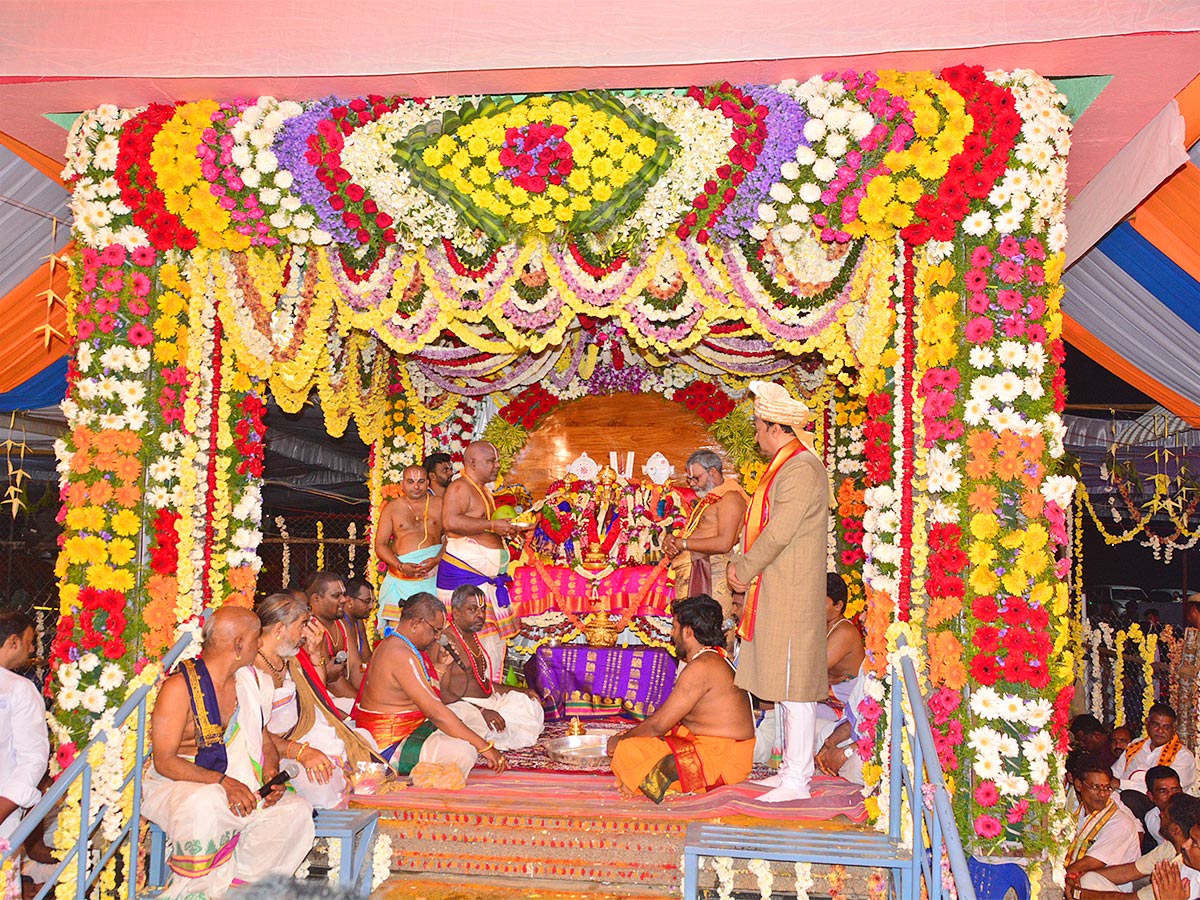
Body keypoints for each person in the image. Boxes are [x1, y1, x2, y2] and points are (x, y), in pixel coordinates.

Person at [143, 606, 315, 899]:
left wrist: (271, 775)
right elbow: (164, 761)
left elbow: (262, 740)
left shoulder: (248, 683)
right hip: (181, 782)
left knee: (295, 811)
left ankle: (241, 889)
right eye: (254, 639)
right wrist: (223, 783)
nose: (259, 645)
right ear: (238, 646)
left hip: (235, 782)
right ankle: (195, 890)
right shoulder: (179, 687)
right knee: (207, 801)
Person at [726, 380, 831, 803]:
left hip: (790, 589)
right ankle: (792, 768)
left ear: (775, 428)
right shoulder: (790, 466)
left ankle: (797, 782)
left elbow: (778, 532)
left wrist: (744, 569)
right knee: (786, 687)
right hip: (779, 587)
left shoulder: (801, 468)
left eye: (757, 428)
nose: (755, 437)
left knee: (796, 688)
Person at [607, 595, 755, 803]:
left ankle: (645, 784)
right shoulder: (711, 658)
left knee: (629, 749)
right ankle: (640, 781)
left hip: (722, 763)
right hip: (717, 748)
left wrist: (620, 741)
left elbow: (658, 725)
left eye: (675, 627)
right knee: (642, 738)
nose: (671, 634)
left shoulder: (702, 667)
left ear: (688, 631)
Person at [351, 592, 506, 780]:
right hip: (389, 745)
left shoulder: (403, 646)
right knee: (463, 752)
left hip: (413, 726)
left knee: (468, 713)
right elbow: (435, 712)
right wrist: (485, 747)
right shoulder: (399, 653)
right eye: (435, 630)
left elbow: (427, 697)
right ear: (416, 623)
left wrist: (441, 666)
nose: (438, 637)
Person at [253, 593, 385, 809]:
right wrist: (302, 752)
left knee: (364, 740)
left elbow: (316, 693)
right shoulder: (252, 669)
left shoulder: (289, 656)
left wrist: (315, 655)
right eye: (302, 625)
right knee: (323, 784)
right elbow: (258, 733)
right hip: (280, 750)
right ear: (278, 630)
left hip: (311, 735)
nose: (305, 633)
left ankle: (360, 801)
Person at [437, 441, 523, 682]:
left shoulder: (482, 489)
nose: (497, 465)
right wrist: (493, 526)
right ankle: (475, 694)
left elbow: (481, 528)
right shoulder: (459, 487)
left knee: (490, 646)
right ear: (472, 463)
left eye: (496, 460)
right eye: (491, 461)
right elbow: (450, 522)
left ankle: (487, 690)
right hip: (464, 582)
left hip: (484, 584)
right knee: (472, 643)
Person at [433, 585, 544, 751]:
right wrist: (482, 712)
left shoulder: (473, 637)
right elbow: (442, 693)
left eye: (482, 609)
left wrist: (522, 691)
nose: (480, 615)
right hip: (464, 708)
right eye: (472, 609)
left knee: (529, 703)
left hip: (489, 701)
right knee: (502, 726)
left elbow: (484, 683)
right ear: (456, 613)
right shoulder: (445, 642)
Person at [662, 450, 749, 620]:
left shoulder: (730, 498)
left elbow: (725, 543)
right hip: (696, 572)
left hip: (711, 576)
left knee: (709, 633)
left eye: (696, 478)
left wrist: (683, 544)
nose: (692, 484)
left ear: (713, 473)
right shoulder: (712, 498)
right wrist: (672, 541)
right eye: (689, 479)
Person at [1075, 792, 1200, 900]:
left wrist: (1080, 894)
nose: (1160, 816)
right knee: (1088, 879)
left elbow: (1132, 899)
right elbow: (1129, 871)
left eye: (1194, 842)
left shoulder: (1183, 869)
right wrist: (1076, 879)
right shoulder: (1170, 847)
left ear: (1175, 829)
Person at [375, 466, 444, 635]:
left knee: (434, 630)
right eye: (410, 482)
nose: (416, 486)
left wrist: (437, 560)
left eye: (421, 481)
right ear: (402, 485)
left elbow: (453, 537)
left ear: (428, 483)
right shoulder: (392, 508)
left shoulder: (440, 504)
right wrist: (400, 565)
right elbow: (380, 545)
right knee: (398, 631)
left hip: (433, 577)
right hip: (401, 579)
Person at [0, 611, 48, 843]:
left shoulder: (18, 688)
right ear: (13, 641)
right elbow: (34, 758)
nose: (31, 651)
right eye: (29, 643)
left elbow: (31, 760)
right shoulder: (19, 689)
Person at [1066, 753, 1142, 888]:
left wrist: (1058, 876)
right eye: (1095, 787)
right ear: (1078, 785)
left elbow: (1089, 863)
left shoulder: (1120, 823)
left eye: (1107, 788)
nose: (1102, 794)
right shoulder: (1079, 812)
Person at [304, 571, 362, 702]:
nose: (344, 600)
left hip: (345, 697)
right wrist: (360, 703)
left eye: (344, 594)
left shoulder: (342, 624)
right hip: (322, 700)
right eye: (336, 596)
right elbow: (333, 681)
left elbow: (355, 666)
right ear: (315, 599)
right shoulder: (311, 629)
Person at [1113, 705, 1197, 794]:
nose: (1160, 731)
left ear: (1174, 728)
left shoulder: (1183, 756)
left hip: (1159, 805)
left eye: (1166, 727)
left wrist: (1121, 784)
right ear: (1147, 723)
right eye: (1155, 724)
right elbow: (1115, 773)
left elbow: (1164, 790)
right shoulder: (1135, 745)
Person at [1143, 767, 1184, 851]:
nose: (1171, 796)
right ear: (1151, 796)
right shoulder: (1151, 818)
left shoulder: (1195, 815)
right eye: (1163, 791)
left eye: (1175, 790)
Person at [341, 578, 374, 668]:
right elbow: (354, 666)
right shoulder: (340, 623)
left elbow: (367, 659)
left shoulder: (358, 621)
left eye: (373, 601)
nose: (371, 606)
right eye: (367, 602)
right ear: (349, 601)